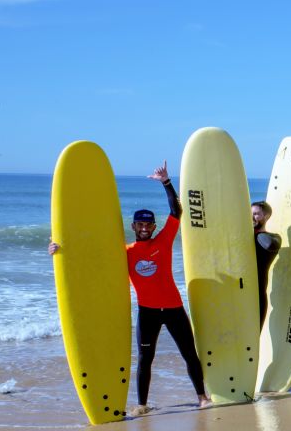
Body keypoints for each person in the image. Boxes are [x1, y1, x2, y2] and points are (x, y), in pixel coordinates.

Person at [49, 161, 211, 416]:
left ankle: (202, 397)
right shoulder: (125, 253)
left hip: (174, 308)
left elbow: (176, 211)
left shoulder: (164, 241)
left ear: (153, 227)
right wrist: (60, 251)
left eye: (149, 225)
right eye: (140, 225)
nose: (145, 228)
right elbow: (91, 259)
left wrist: (166, 183)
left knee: (189, 353)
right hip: (147, 312)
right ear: (133, 227)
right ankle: (142, 404)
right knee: (145, 359)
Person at [252, 200, 281, 330]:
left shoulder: (272, 238)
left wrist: (254, 232)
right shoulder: (242, 237)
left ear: (266, 217)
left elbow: (269, 244)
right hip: (237, 294)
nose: (252, 217)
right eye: (249, 214)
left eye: (256, 214)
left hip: (257, 297)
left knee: (252, 340)